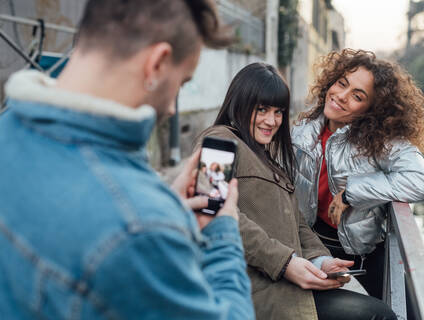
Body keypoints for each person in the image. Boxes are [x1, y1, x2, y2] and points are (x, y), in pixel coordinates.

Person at [0, 1, 254, 319]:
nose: (173, 108)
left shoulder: (7, 128)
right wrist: (222, 234)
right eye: (182, 83)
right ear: (157, 64)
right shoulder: (139, 227)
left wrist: (165, 207)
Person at [196, 62, 397, 320]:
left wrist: (321, 261)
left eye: (278, 112)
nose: (272, 121)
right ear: (240, 103)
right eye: (262, 110)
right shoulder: (219, 141)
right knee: (377, 316)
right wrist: (286, 263)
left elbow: (298, 224)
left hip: (286, 286)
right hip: (251, 291)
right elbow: (210, 210)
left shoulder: (268, 157)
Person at [292, 49, 424, 299]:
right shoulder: (303, 131)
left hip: (363, 251)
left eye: (357, 96)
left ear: (372, 109)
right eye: (341, 84)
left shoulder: (381, 141)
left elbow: (422, 181)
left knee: (409, 310)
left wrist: (352, 194)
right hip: (311, 243)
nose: (341, 96)